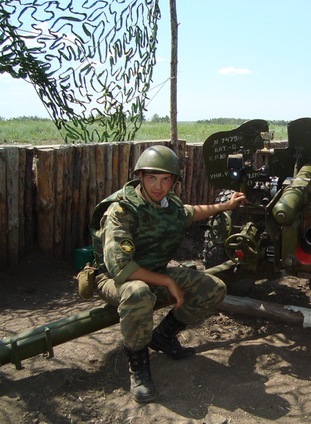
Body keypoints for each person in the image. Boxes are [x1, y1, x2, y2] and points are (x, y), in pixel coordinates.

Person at [89, 145, 246, 403]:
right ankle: (138, 366)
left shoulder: (169, 204)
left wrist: (226, 205)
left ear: (173, 181)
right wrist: (167, 281)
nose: (158, 186)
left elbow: (191, 213)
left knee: (213, 288)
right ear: (140, 176)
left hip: (154, 271)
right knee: (138, 293)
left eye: (165, 179)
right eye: (152, 178)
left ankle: (163, 336)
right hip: (115, 280)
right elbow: (121, 268)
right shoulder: (122, 210)